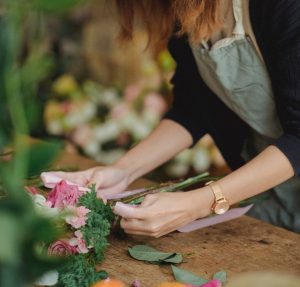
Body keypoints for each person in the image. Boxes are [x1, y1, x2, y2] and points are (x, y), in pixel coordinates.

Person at [44, 0, 300, 235]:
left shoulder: (285, 7)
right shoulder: (188, 9)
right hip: (268, 191)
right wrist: (122, 171)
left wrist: (199, 203)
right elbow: (193, 108)